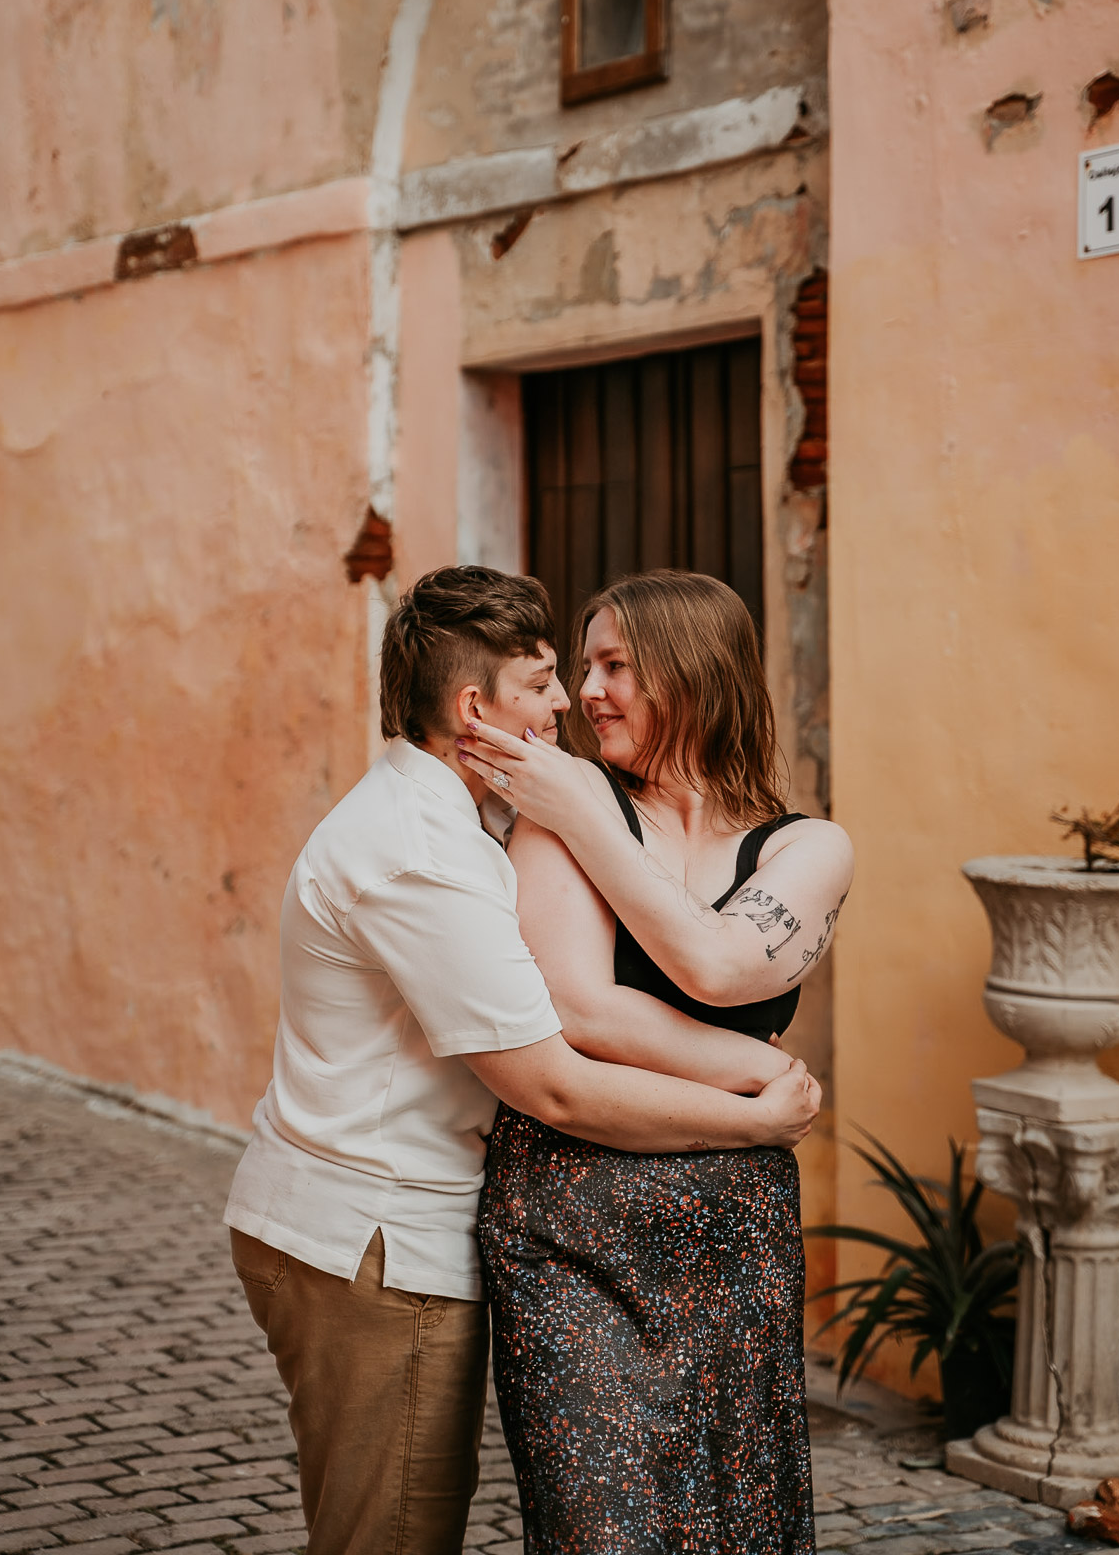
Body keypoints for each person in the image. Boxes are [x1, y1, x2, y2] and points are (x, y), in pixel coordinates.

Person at [223, 565, 822, 1555]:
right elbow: (552, 1079)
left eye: (589, 672)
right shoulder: (424, 850)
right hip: (373, 1238)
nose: (569, 703)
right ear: (473, 707)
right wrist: (758, 1113)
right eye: (547, 680)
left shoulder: (458, 824)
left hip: (371, 1224)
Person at [457, 569, 854, 1555]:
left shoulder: (807, 848)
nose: (587, 694)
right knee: (604, 1532)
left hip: (736, 1247)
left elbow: (717, 964)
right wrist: (758, 1073)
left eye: (614, 666)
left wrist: (592, 817)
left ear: (695, 674)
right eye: (584, 668)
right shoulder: (556, 811)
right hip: (568, 1235)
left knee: (739, 1527)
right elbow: (582, 1011)